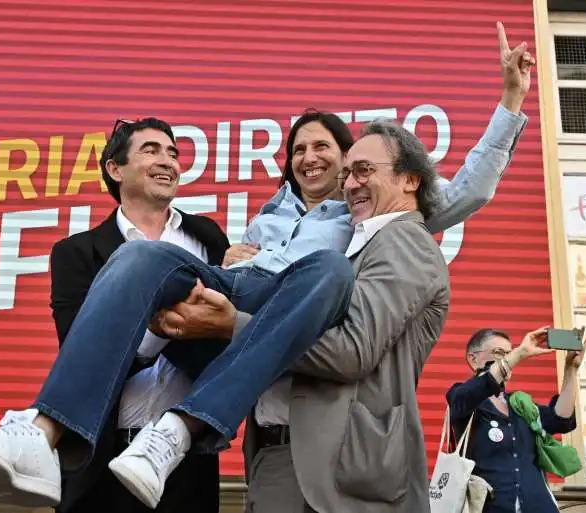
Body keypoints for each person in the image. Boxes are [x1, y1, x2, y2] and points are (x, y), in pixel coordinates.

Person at [151, 22, 534, 513]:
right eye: (297, 151)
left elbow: (467, 189)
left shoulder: (365, 224)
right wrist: (230, 265)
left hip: (348, 460)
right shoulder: (267, 219)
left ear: (347, 164)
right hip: (269, 450)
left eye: (325, 150)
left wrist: (510, 100)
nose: (309, 159)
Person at [48, 117, 230, 513]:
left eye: (173, 153)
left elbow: (225, 339)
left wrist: (137, 319)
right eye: (150, 150)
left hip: (188, 458)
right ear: (115, 169)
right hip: (104, 459)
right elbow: (82, 349)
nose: (167, 161)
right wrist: (183, 324)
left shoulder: (208, 237)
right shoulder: (77, 253)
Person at [446, 327, 586, 513]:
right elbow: (475, 390)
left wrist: (571, 369)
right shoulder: (462, 397)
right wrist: (519, 353)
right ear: (473, 359)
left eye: (509, 353)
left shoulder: (520, 404)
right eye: (498, 353)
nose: (507, 360)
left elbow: (560, 419)